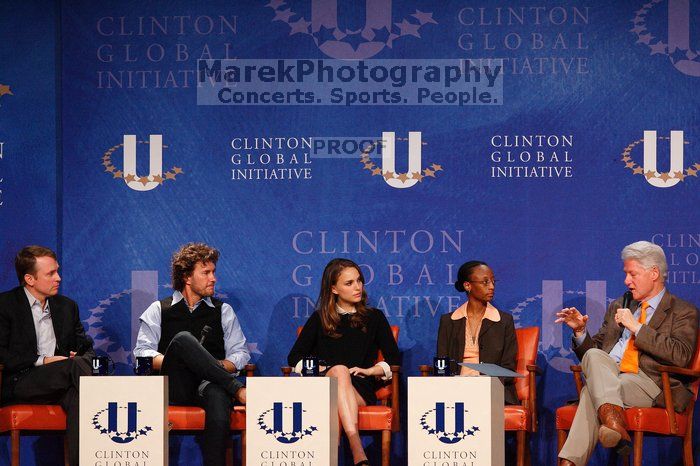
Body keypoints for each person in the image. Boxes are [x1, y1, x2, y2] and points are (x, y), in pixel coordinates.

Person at [555, 241, 698, 466]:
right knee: (593, 357)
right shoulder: (619, 304)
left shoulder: (683, 311)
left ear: (654, 273)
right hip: (612, 377)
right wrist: (581, 331)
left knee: (591, 392)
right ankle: (613, 423)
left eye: (633, 274)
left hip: (650, 384)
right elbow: (596, 353)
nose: (626, 281)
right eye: (626, 274)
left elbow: (681, 355)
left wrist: (638, 328)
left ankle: (570, 462)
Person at [134, 243, 249, 466]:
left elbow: (240, 354)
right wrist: (183, 360)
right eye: (206, 272)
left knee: (217, 394)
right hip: (174, 385)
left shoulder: (223, 311)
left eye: (214, 272)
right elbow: (141, 356)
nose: (213, 278)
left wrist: (209, 365)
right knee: (183, 340)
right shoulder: (159, 309)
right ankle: (239, 390)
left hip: (210, 383)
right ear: (187, 277)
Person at [288, 258, 400, 466]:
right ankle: (357, 448)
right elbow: (294, 358)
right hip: (324, 387)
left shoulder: (374, 317)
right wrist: (324, 369)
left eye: (359, 280)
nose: (357, 287)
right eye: (349, 283)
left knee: (340, 378)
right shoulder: (320, 318)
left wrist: (368, 371)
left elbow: (394, 359)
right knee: (339, 371)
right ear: (334, 289)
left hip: (359, 389)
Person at [0, 246, 94, 465]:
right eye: (50, 274)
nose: (58, 278)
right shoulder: (5, 305)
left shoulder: (67, 307)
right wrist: (43, 360)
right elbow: (1, 352)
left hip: (63, 381)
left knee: (78, 396)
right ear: (29, 279)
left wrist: (77, 354)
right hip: (21, 380)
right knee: (76, 370)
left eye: (57, 271)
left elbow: (86, 348)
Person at [436, 260, 518, 405]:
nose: (492, 287)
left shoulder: (504, 321)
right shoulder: (449, 321)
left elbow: (508, 367)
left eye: (493, 282)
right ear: (467, 285)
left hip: (493, 391)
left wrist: (482, 386)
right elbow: (442, 364)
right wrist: (447, 389)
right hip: (455, 391)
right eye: (485, 282)